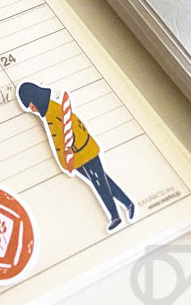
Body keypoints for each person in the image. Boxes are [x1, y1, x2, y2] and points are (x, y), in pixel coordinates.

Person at [18, 81, 136, 232]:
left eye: (31, 104)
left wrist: (72, 152)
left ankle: (115, 216)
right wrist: (66, 162)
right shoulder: (48, 115)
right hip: (75, 159)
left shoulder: (55, 111)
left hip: (85, 152)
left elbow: (74, 130)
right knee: (103, 181)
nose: (31, 108)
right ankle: (128, 204)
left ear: (36, 99)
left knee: (100, 183)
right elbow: (58, 142)